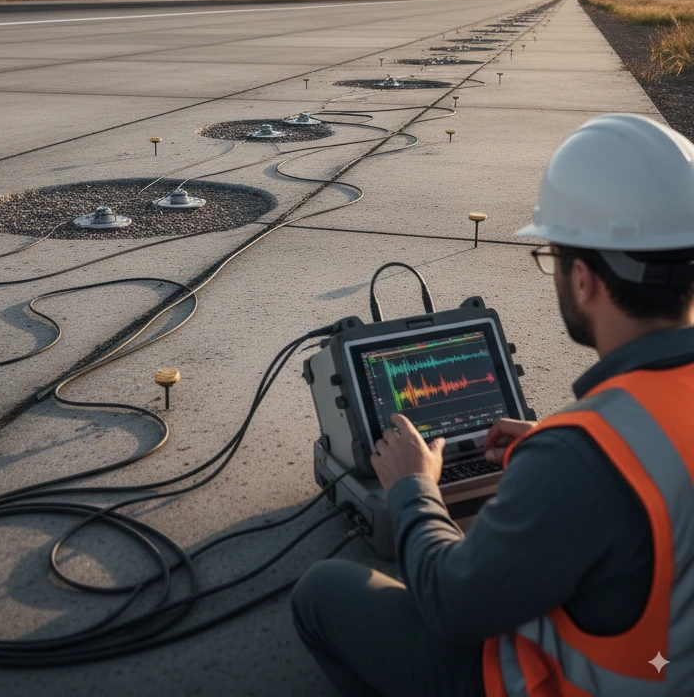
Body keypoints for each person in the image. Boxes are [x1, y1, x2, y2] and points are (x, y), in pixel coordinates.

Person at [291, 113, 694, 696]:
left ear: (582, 279)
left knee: (321, 592)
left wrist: (412, 491)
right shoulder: (586, 450)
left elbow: (454, 605)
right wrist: (554, 454)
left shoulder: (579, 459)